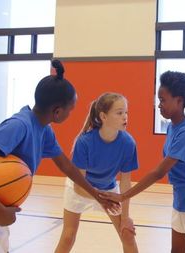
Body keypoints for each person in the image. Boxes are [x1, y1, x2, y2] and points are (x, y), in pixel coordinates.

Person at [0, 60, 118, 253]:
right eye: (70, 109)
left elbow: (66, 166)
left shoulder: (44, 129)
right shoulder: (20, 125)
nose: (70, 113)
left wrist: (96, 195)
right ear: (57, 111)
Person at [101, 71, 185, 253]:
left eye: (163, 100)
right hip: (182, 199)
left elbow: (159, 172)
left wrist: (123, 196)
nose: (159, 105)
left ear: (179, 101)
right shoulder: (173, 127)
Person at [55, 92, 139, 253]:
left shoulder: (128, 143)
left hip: (108, 190)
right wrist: (100, 199)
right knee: (68, 237)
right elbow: (79, 185)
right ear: (103, 116)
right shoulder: (84, 142)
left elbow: (125, 183)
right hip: (80, 189)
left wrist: (126, 217)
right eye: (119, 112)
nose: (125, 117)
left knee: (127, 234)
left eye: (126, 112)